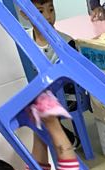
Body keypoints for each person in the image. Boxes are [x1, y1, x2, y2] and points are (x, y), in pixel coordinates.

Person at [25, 0, 80, 147]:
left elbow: (72, 76)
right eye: (40, 11)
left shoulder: (66, 42)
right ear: (24, 14)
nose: (48, 16)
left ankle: (67, 139)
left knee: (39, 107)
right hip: (36, 93)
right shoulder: (24, 39)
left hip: (65, 94)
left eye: (51, 10)